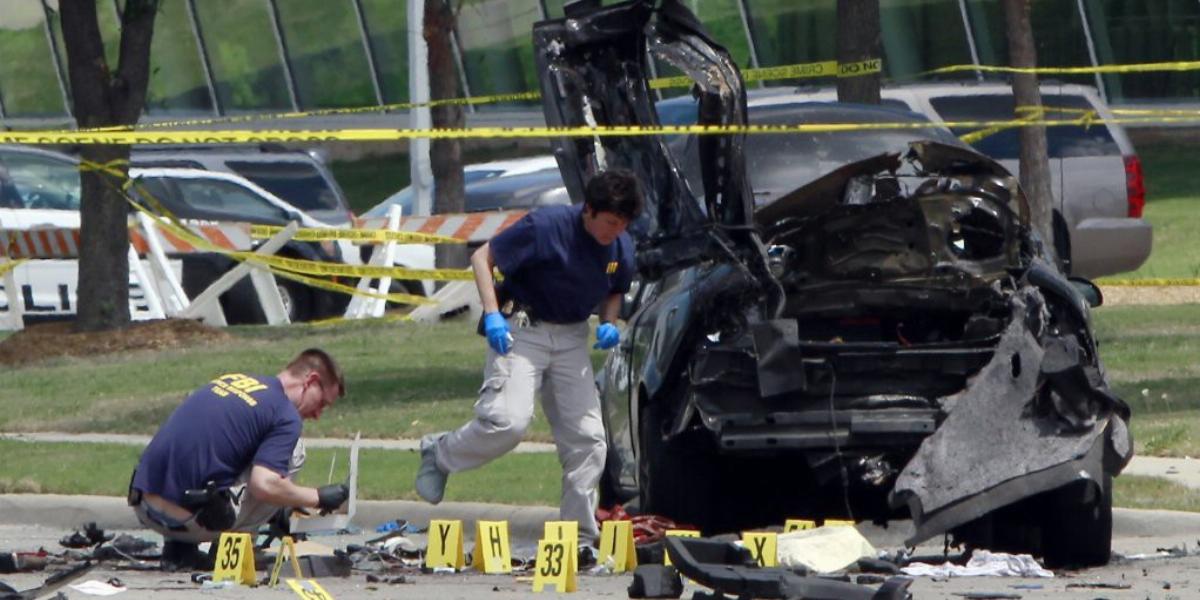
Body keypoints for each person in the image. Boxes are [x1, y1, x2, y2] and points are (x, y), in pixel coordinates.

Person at [415, 168, 643, 545]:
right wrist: (491, 314)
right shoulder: (546, 225)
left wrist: (609, 322)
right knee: (508, 422)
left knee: (588, 439)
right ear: (589, 210)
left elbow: (615, 289)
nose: (615, 231)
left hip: (571, 337)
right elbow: (481, 258)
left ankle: (579, 537)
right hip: (521, 328)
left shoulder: (621, 246)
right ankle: (440, 453)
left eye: (623, 224)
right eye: (610, 222)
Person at [128, 348, 350, 571]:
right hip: (193, 521)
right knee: (295, 450)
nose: (318, 415)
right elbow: (264, 484)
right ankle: (233, 552)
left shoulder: (232, 380)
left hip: (145, 507)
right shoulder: (285, 415)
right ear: (311, 381)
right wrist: (316, 497)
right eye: (322, 403)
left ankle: (179, 551)